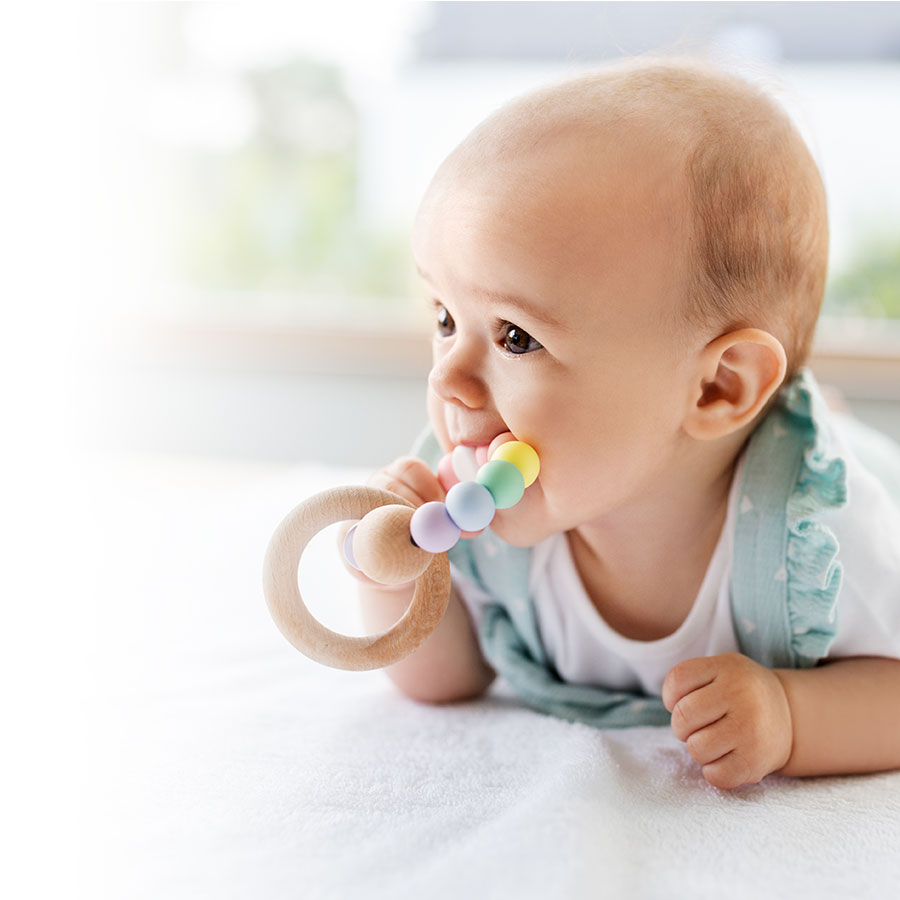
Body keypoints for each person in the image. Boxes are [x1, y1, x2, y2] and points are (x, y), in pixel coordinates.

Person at [346, 56, 900, 790]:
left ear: (715, 387)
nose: (448, 376)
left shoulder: (819, 535)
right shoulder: (479, 499)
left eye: (516, 337)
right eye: (445, 318)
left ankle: (826, 415)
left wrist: (793, 716)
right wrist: (396, 580)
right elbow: (445, 678)